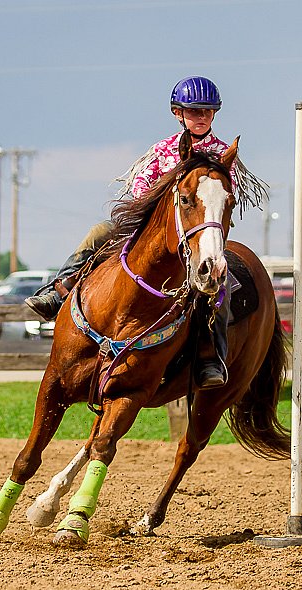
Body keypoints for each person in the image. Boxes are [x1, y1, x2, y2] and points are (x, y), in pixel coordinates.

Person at [25, 75, 248, 388]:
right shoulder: (163, 150)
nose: (201, 117)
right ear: (178, 113)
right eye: (194, 111)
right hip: (156, 227)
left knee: (217, 290)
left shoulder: (223, 154)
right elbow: (141, 187)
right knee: (99, 232)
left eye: (207, 112)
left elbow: (228, 192)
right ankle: (59, 290)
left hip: (200, 231)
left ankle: (210, 356)